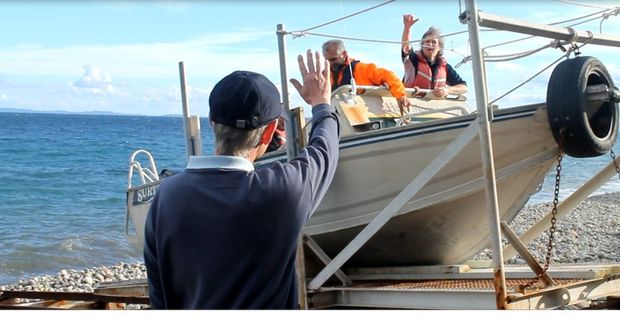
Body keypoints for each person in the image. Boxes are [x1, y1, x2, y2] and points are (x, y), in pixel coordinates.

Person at [143, 49, 339, 309]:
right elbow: (325, 149)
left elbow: (160, 294)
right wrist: (321, 104)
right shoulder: (282, 191)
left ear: (212, 122)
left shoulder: (167, 195)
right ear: (269, 132)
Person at [322, 39, 410, 111]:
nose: (330, 63)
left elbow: (389, 75)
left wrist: (400, 96)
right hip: (338, 117)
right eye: (327, 60)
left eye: (334, 59)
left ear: (344, 54)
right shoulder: (324, 76)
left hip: (364, 114)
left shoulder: (361, 69)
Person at [401, 14, 468, 98]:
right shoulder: (413, 60)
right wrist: (407, 27)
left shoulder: (445, 66)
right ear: (422, 45)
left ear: (439, 47)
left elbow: (464, 87)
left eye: (433, 42)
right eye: (427, 41)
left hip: (434, 107)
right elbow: (406, 46)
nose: (430, 44)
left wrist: (447, 90)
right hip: (411, 103)